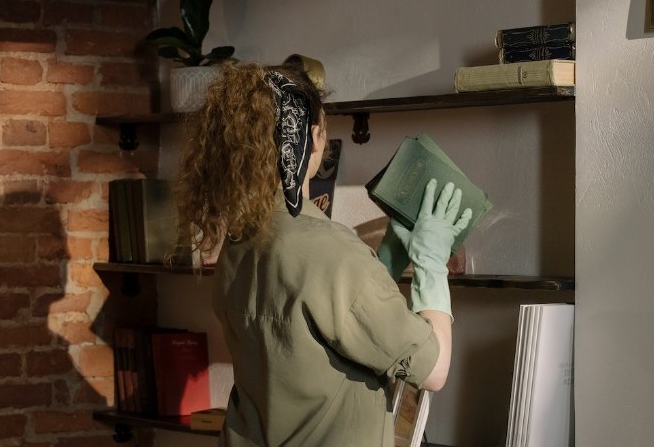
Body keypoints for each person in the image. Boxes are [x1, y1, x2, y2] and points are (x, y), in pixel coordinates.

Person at [173, 61, 472, 447]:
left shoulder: (238, 244)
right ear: (314, 137)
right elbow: (434, 369)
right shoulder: (332, 252)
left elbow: (328, 326)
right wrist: (431, 263)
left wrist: (384, 261)